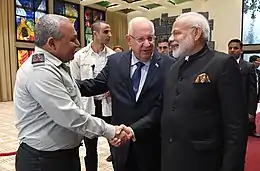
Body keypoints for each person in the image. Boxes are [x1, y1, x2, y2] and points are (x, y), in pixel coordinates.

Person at [13, 14, 128, 171]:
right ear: (52, 43)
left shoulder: (58, 65)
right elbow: (70, 116)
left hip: (63, 156)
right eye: (73, 39)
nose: (78, 44)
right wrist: (110, 130)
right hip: (44, 162)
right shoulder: (41, 71)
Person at [76, 17, 176, 171]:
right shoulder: (115, 62)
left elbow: (163, 106)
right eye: (141, 39)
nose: (147, 44)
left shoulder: (169, 66)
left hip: (153, 146)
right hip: (122, 148)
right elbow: (95, 85)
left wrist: (134, 130)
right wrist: (65, 84)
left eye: (150, 38)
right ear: (129, 40)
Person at [161, 12, 248, 171]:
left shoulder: (222, 64)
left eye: (177, 33)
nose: (171, 39)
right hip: (172, 159)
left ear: (196, 33)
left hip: (204, 161)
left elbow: (236, 126)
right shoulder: (174, 67)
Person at [70, 20, 115, 171]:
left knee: (114, 145)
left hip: (108, 105)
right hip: (88, 106)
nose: (109, 35)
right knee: (90, 149)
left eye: (109, 31)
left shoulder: (113, 56)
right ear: (95, 34)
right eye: (105, 32)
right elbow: (74, 84)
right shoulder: (79, 56)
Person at [228, 39, 259, 138]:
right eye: (230, 48)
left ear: (241, 50)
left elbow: (252, 91)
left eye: (236, 48)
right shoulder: (221, 65)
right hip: (225, 107)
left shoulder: (248, 67)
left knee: (240, 137)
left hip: (242, 107)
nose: (232, 50)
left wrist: (251, 111)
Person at [249, 55, 260, 137]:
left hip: (255, 96)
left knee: (253, 113)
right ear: (252, 62)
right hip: (247, 95)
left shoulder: (258, 72)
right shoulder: (246, 70)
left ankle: (252, 130)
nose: (259, 63)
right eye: (258, 61)